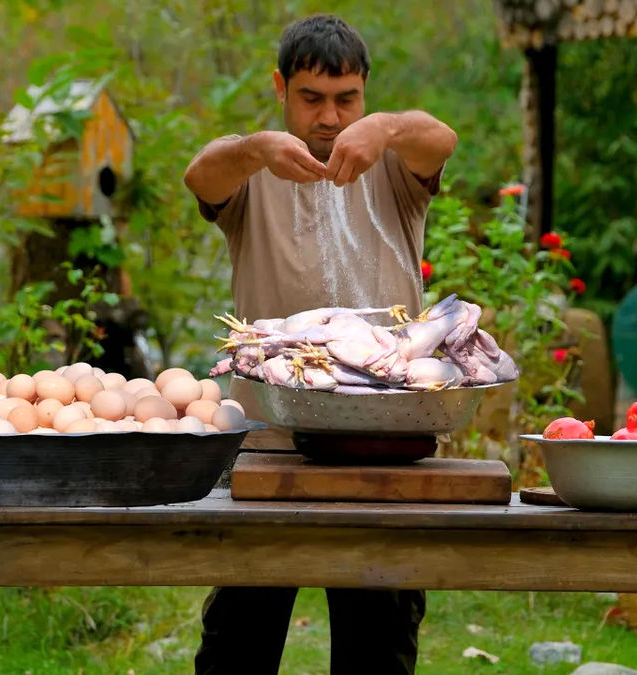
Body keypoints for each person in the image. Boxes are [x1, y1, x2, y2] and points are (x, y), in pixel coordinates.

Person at [182, 13, 457, 675]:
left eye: (346, 99)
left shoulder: (394, 165)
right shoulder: (256, 167)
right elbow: (199, 176)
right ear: (281, 87)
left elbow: (440, 138)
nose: (329, 117)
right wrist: (256, 149)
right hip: (270, 437)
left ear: (363, 92)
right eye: (311, 98)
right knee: (239, 641)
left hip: (388, 437)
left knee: (378, 645)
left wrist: (385, 126)